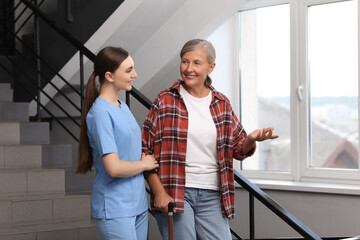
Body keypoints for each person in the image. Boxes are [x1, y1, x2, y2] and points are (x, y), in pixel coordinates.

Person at [142, 39, 279, 240]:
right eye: (185, 61)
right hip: (176, 191)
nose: (189, 69)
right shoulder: (165, 100)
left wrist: (250, 139)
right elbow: (145, 149)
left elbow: (238, 149)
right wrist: (159, 192)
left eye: (197, 63)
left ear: (211, 67)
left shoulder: (221, 103)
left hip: (213, 194)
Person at [76, 46, 159, 240]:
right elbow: (113, 168)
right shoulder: (100, 113)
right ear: (110, 76)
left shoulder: (122, 107)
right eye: (129, 70)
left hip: (137, 203)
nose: (135, 75)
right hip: (114, 207)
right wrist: (145, 164)